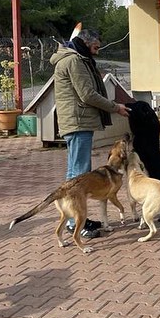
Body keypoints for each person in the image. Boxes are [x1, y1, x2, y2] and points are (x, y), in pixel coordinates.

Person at [51, 29, 130, 238]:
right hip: (78, 122)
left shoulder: (76, 58)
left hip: (78, 121)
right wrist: (115, 107)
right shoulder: (74, 61)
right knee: (79, 176)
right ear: (85, 43)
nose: (97, 52)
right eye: (95, 47)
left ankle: (72, 219)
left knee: (75, 174)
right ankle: (74, 223)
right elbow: (87, 94)